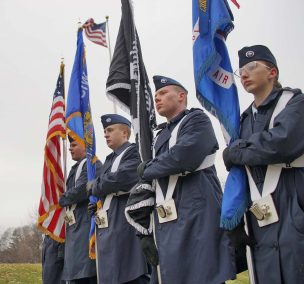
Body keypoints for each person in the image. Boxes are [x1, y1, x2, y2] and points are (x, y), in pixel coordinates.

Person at [127, 76, 235, 283]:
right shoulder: (160, 134)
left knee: (202, 273)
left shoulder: (197, 120)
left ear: (181, 96)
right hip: (168, 215)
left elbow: (183, 156)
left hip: (196, 208)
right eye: (156, 95)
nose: (157, 98)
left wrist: (148, 168)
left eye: (163, 93)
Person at [223, 45, 304, 283]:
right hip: (261, 220)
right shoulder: (244, 120)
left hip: (294, 203)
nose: (244, 74)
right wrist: (235, 219)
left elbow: (280, 144)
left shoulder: (295, 102)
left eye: (251, 66)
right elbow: (243, 170)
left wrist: (236, 151)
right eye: (241, 71)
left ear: (272, 72)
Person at [88, 114, 149, 284]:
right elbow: (106, 185)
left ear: (124, 132)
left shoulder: (135, 151)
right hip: (109, 223)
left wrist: (95, 186)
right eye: (104, 131)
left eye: (110, 130)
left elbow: (122, 178)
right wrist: (99, 204)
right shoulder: (110, 159)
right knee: (112, 276)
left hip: (125, 223)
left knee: (131, 274)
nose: (105, 134)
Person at [59, 137, 102, 284]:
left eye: (74, 144)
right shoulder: (76, 168)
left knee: (86, 274)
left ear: (86, 146)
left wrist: (61, 199)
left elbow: (81, 190)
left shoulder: (92, 164)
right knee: (76, 276)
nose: (70, 148)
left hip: (85, 226)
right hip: (75, 229)